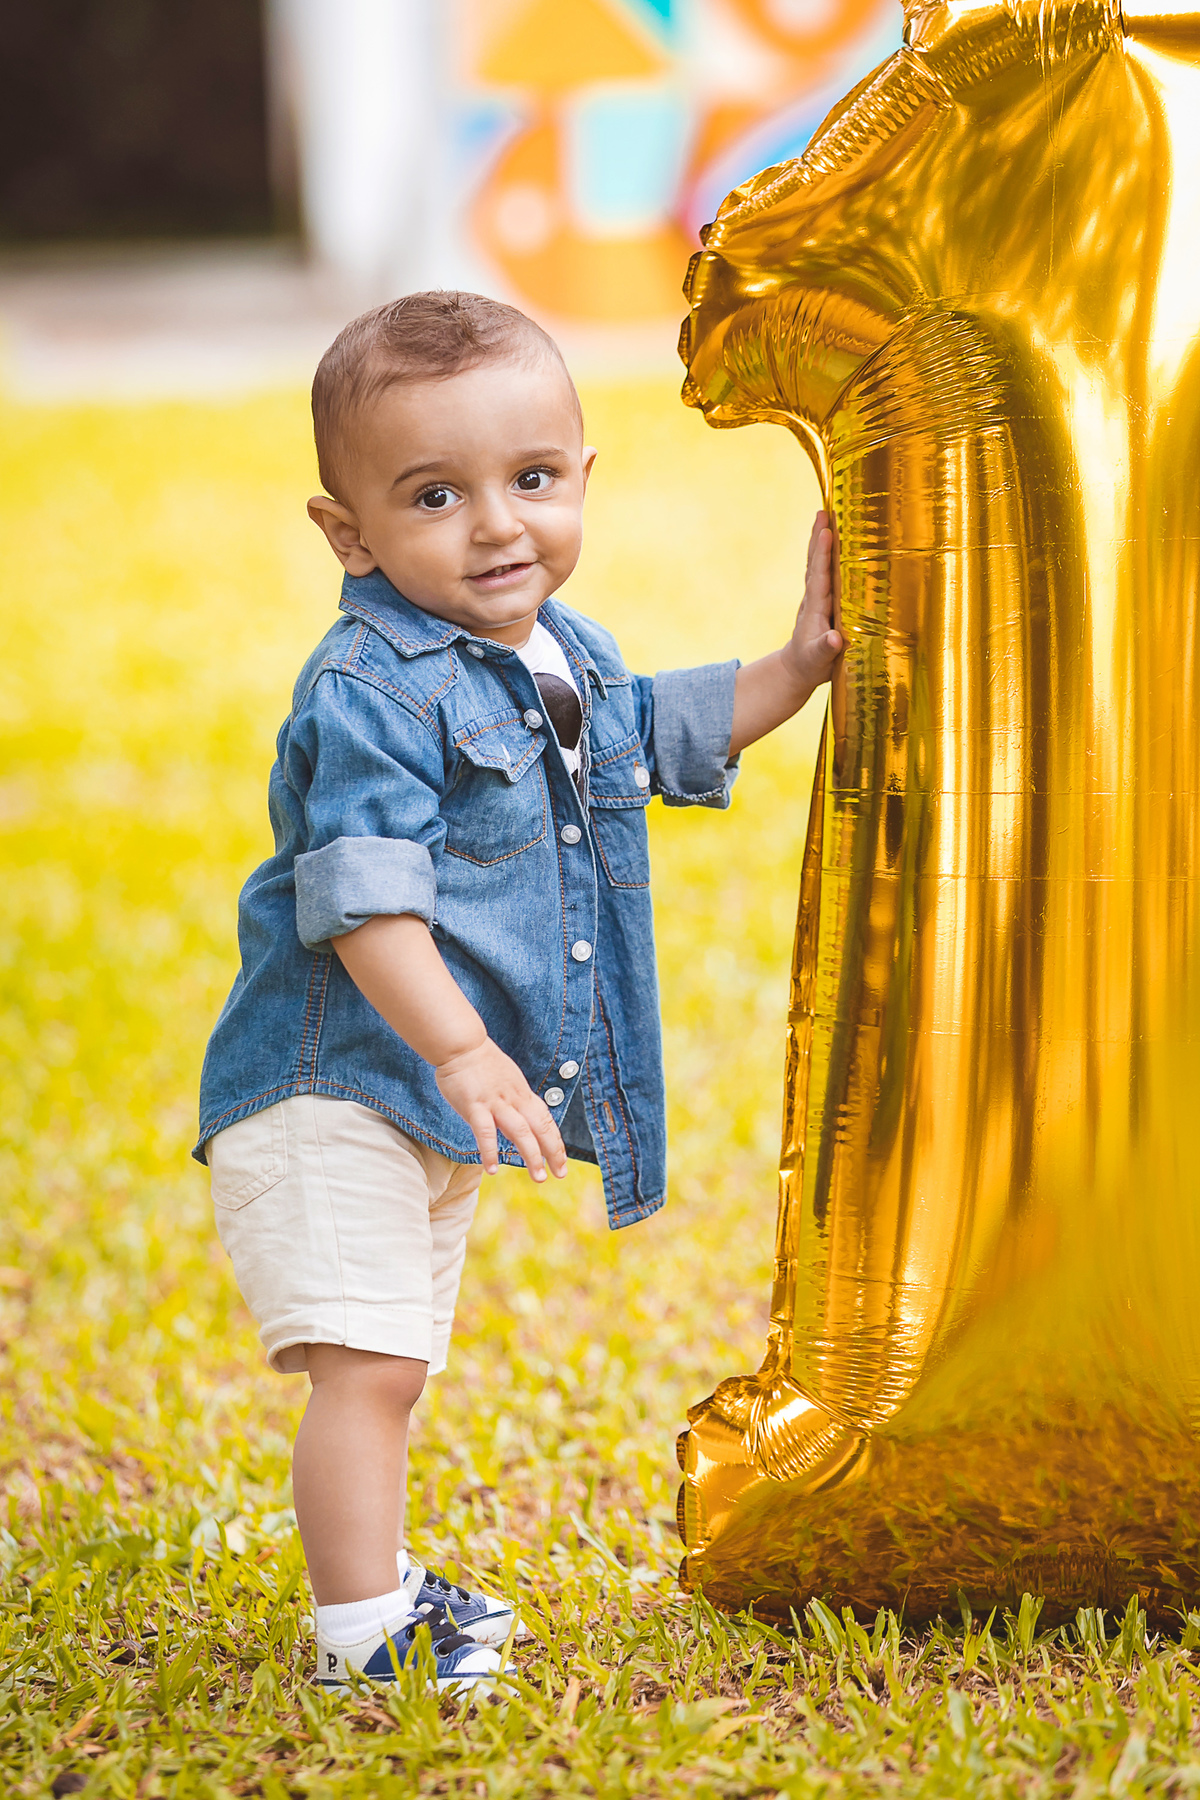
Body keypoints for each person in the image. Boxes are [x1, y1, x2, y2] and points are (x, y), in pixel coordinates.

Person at [195, 291, 841, 1693]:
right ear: (350, 532)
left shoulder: (563, 650)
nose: (499, 526)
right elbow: (364, 894)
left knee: (396, 1371)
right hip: (339, 1086)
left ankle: (375, 1590)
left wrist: (797, 667)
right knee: (365, 1371)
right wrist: (467, 1050)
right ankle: (364, 1643)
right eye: (437, 495)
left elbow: (654, 732)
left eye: (533, 480)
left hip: (419, 1098)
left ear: (583, 479)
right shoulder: (372, 685)